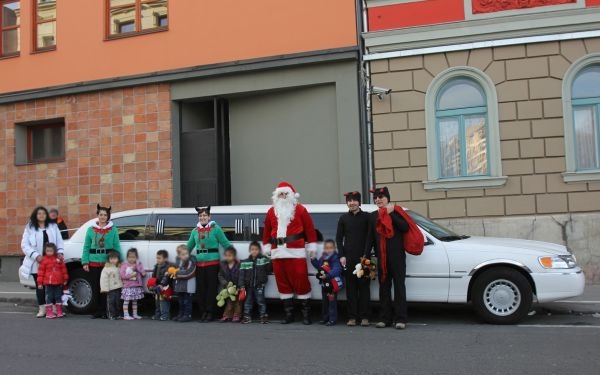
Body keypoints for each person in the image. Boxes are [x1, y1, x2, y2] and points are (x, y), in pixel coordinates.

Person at [262, 181, 318, 325]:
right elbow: (266, 231)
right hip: (277, 253)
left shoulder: (300, 210)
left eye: (286, 193)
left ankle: (306, 315)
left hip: (296, 252)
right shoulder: (270, 211)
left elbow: (310, 229)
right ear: (276, 195)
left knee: (301, 280)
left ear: (292, 195)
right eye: (281, 193)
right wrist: (266, 245)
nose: (283, 196)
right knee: (282, 282)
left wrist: (312, 245)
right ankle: (289, 314)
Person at [365, 187, 409, 330]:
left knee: (399, 287)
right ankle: (385, 318)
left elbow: (405, 227)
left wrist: (392, 214)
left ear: (388, 198)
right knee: (384, 288)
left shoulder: (396, 211)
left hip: (397, 257)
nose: (378, 199)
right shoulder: (372, 216)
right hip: (381, 257)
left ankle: (400, 319)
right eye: (376, 197)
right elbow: (370, 238)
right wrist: (365, 256)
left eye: (381, 197)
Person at [187, 206, 231, 322]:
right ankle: (203, 312)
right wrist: (180, 258)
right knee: (201, 289)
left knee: (212, 289)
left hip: (213, 264)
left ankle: (211, 312)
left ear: (209, 216)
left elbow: (225, 243)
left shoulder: (216, 229)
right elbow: (188, 247)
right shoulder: (194, 231)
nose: (202, 217)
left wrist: (232, 256)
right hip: (200, 264)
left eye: (205, 215)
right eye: (200, 216)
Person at [20, 206, 65, 318]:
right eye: (39, 213)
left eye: (43, 213)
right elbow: (24, 245)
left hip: (52, 263)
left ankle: (54, 308)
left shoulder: (53, 226)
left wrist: (60, 252)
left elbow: (59, 241)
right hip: (37, 263)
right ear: (35, 215)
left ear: (46, 215)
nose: (41, 215)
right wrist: (36, 256)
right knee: (40, 286)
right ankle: (42, 308)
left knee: (53, 286)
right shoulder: (30, 228)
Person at [336, 191, 371, 327]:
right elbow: (339, 239)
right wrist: (342, 255)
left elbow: (370, 238)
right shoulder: (343, 218)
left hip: (365, 258)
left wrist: (367, 255)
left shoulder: (367, 217)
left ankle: (365, 317)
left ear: (359, 202)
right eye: (349, 201)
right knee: (350, 290)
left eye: (354, 200)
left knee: (364, 289)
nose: (351, 203)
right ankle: (352, 317)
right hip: (349, 258)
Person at [82, 204, 122, 319]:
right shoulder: (90, 230)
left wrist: (120, 261)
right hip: (93, 262)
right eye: (101, 214)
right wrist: (85, 262)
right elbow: (86, 247)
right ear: (97, 215)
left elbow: (116, 246)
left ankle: (105, 310)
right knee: (95, 287)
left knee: (106, 287)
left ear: (108, 216)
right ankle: (97, 311)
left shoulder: (113, 230)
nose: (103, 217)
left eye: (105, 215)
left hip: (107, 263)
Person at [310, 240, 343, 326]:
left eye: (331, 248)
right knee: (325, 302)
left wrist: (328, 275)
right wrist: (313, 259)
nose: (329, 250)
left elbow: (337, 269)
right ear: (324, 249)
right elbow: (319, 266)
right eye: (327, 248)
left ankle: (332, 319)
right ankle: (325, 318)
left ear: (334, 248)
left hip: (331, 285)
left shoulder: (335, 258)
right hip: (324, 284)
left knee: (331, 302)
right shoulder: (323, 257)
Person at [239, 241, 271, 324]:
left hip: (260, 285)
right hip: (248, 286)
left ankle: (263, 316)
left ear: (259, 250)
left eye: (256, 249)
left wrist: (269, 258)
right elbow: (241, 275)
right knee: (248, 301)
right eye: (252, 249)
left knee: (261, 301)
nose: (254, 251)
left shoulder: (264, 260)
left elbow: (269, 270)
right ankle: (247, 316)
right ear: (249, 251)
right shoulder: (245, 262)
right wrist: (241, 285)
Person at [36, 243, 68, 319]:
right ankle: (49, 312)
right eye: (47, 251)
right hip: (48, 283)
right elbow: (40, 272)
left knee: (58, 296)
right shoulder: (44, 260)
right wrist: (39, 283)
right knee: (49, 297)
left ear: (54, 251)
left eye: (51, 251)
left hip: (58, 282)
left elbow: (64, 270)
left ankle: (59, 311)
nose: (49, 252)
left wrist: (65, 279)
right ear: (45, 251)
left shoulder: (59, 259)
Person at [169, 244, 197, 323]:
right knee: (180, 301)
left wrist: (176, 273)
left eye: (186, 254)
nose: (185, 256)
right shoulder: (179, 261)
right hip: (180, 286)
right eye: (183, 254)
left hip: (188, 286)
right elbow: (174, 269)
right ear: (179, 255)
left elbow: (188, 273)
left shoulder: (191, 261)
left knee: (187, 301)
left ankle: (187, 315)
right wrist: (170, 271)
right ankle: (181, 314)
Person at [119, 248, 146, 320]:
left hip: (136, 286)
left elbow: (143, 272)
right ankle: (125, 314)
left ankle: (135, 314)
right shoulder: (124, 265)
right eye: (129, 257)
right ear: (127, 257)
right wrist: (129, 276)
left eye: (133, 257)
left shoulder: (138, 264)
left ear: (136, 258)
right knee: (126, 300)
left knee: (135, 301)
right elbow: (122, 275)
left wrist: (138, 267)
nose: (131, 259)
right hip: (128, 286)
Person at [218, 247, 242, 323]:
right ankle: (227, 315)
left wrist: (239, 286)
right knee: (229, 302)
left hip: (237, 287)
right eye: (226, 255)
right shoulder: (223, 264)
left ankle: (237, 315)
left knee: (238, 302)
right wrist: (225, 283)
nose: (227, 257)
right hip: (227, 288)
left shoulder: (238, 265)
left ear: (234, 256)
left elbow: (241, 276)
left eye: (230, 255)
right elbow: (220, 275)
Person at [100, 251, 123, 320]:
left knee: (118, 302)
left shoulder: (119, 267)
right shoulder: (106, 268)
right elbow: (104, 279)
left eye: (115, 258)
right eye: (111, 258)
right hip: (110, 289)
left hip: (118, 287)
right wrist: (104, 288)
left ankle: (118, 314)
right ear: (109, 259)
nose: (113, 260)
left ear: (118, 259)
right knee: (111, 302)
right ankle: (111, 315)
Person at [151, 249, 172, 321]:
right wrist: (152, 284)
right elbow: (153, 276)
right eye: (157, 258)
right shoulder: (156, 266)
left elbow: (166, 277)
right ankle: (158, 315)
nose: (157, 260)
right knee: (157, 301)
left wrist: (162, 284)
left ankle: (165, 315)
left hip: (164, 287)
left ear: (165, 258)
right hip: (157, 287)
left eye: (159, 258)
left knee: (164, 301)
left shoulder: (167, 267)